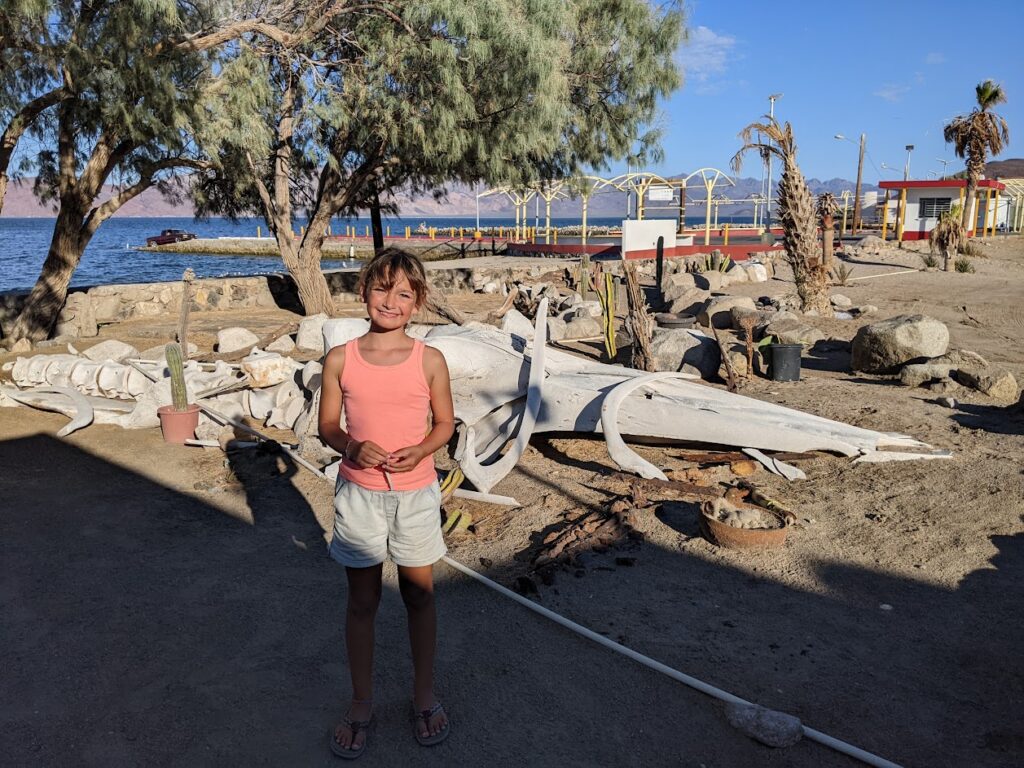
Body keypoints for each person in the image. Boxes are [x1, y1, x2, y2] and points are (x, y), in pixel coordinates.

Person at [318, 248, 455, 759]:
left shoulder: (430, 360)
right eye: (381, 289)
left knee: (420, 596)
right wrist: (352, 447)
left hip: (416, 495)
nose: (390, 301)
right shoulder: (341, 358)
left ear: (417, 303)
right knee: (363, 601)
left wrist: (421, 449)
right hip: (359, 496)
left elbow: (444, 423)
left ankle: (423, 694)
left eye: (403, 293)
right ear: (363, 293)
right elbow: (328, 426)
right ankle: (361, 701)